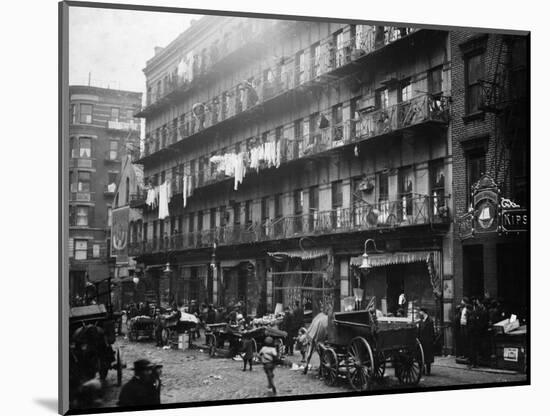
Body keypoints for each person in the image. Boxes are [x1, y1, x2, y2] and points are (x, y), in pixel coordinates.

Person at [417, 307, 435, 375]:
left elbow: (432, 332)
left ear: (423, 312)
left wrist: (432, 341)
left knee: (428, 357)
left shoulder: (430, 321)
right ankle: (422, 370)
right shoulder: (421, 321)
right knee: (421, 356)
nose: (419, 313)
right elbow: (419, 331)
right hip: (421, 342)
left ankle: (428, 371)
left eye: (420, 312)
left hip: (428, 342)